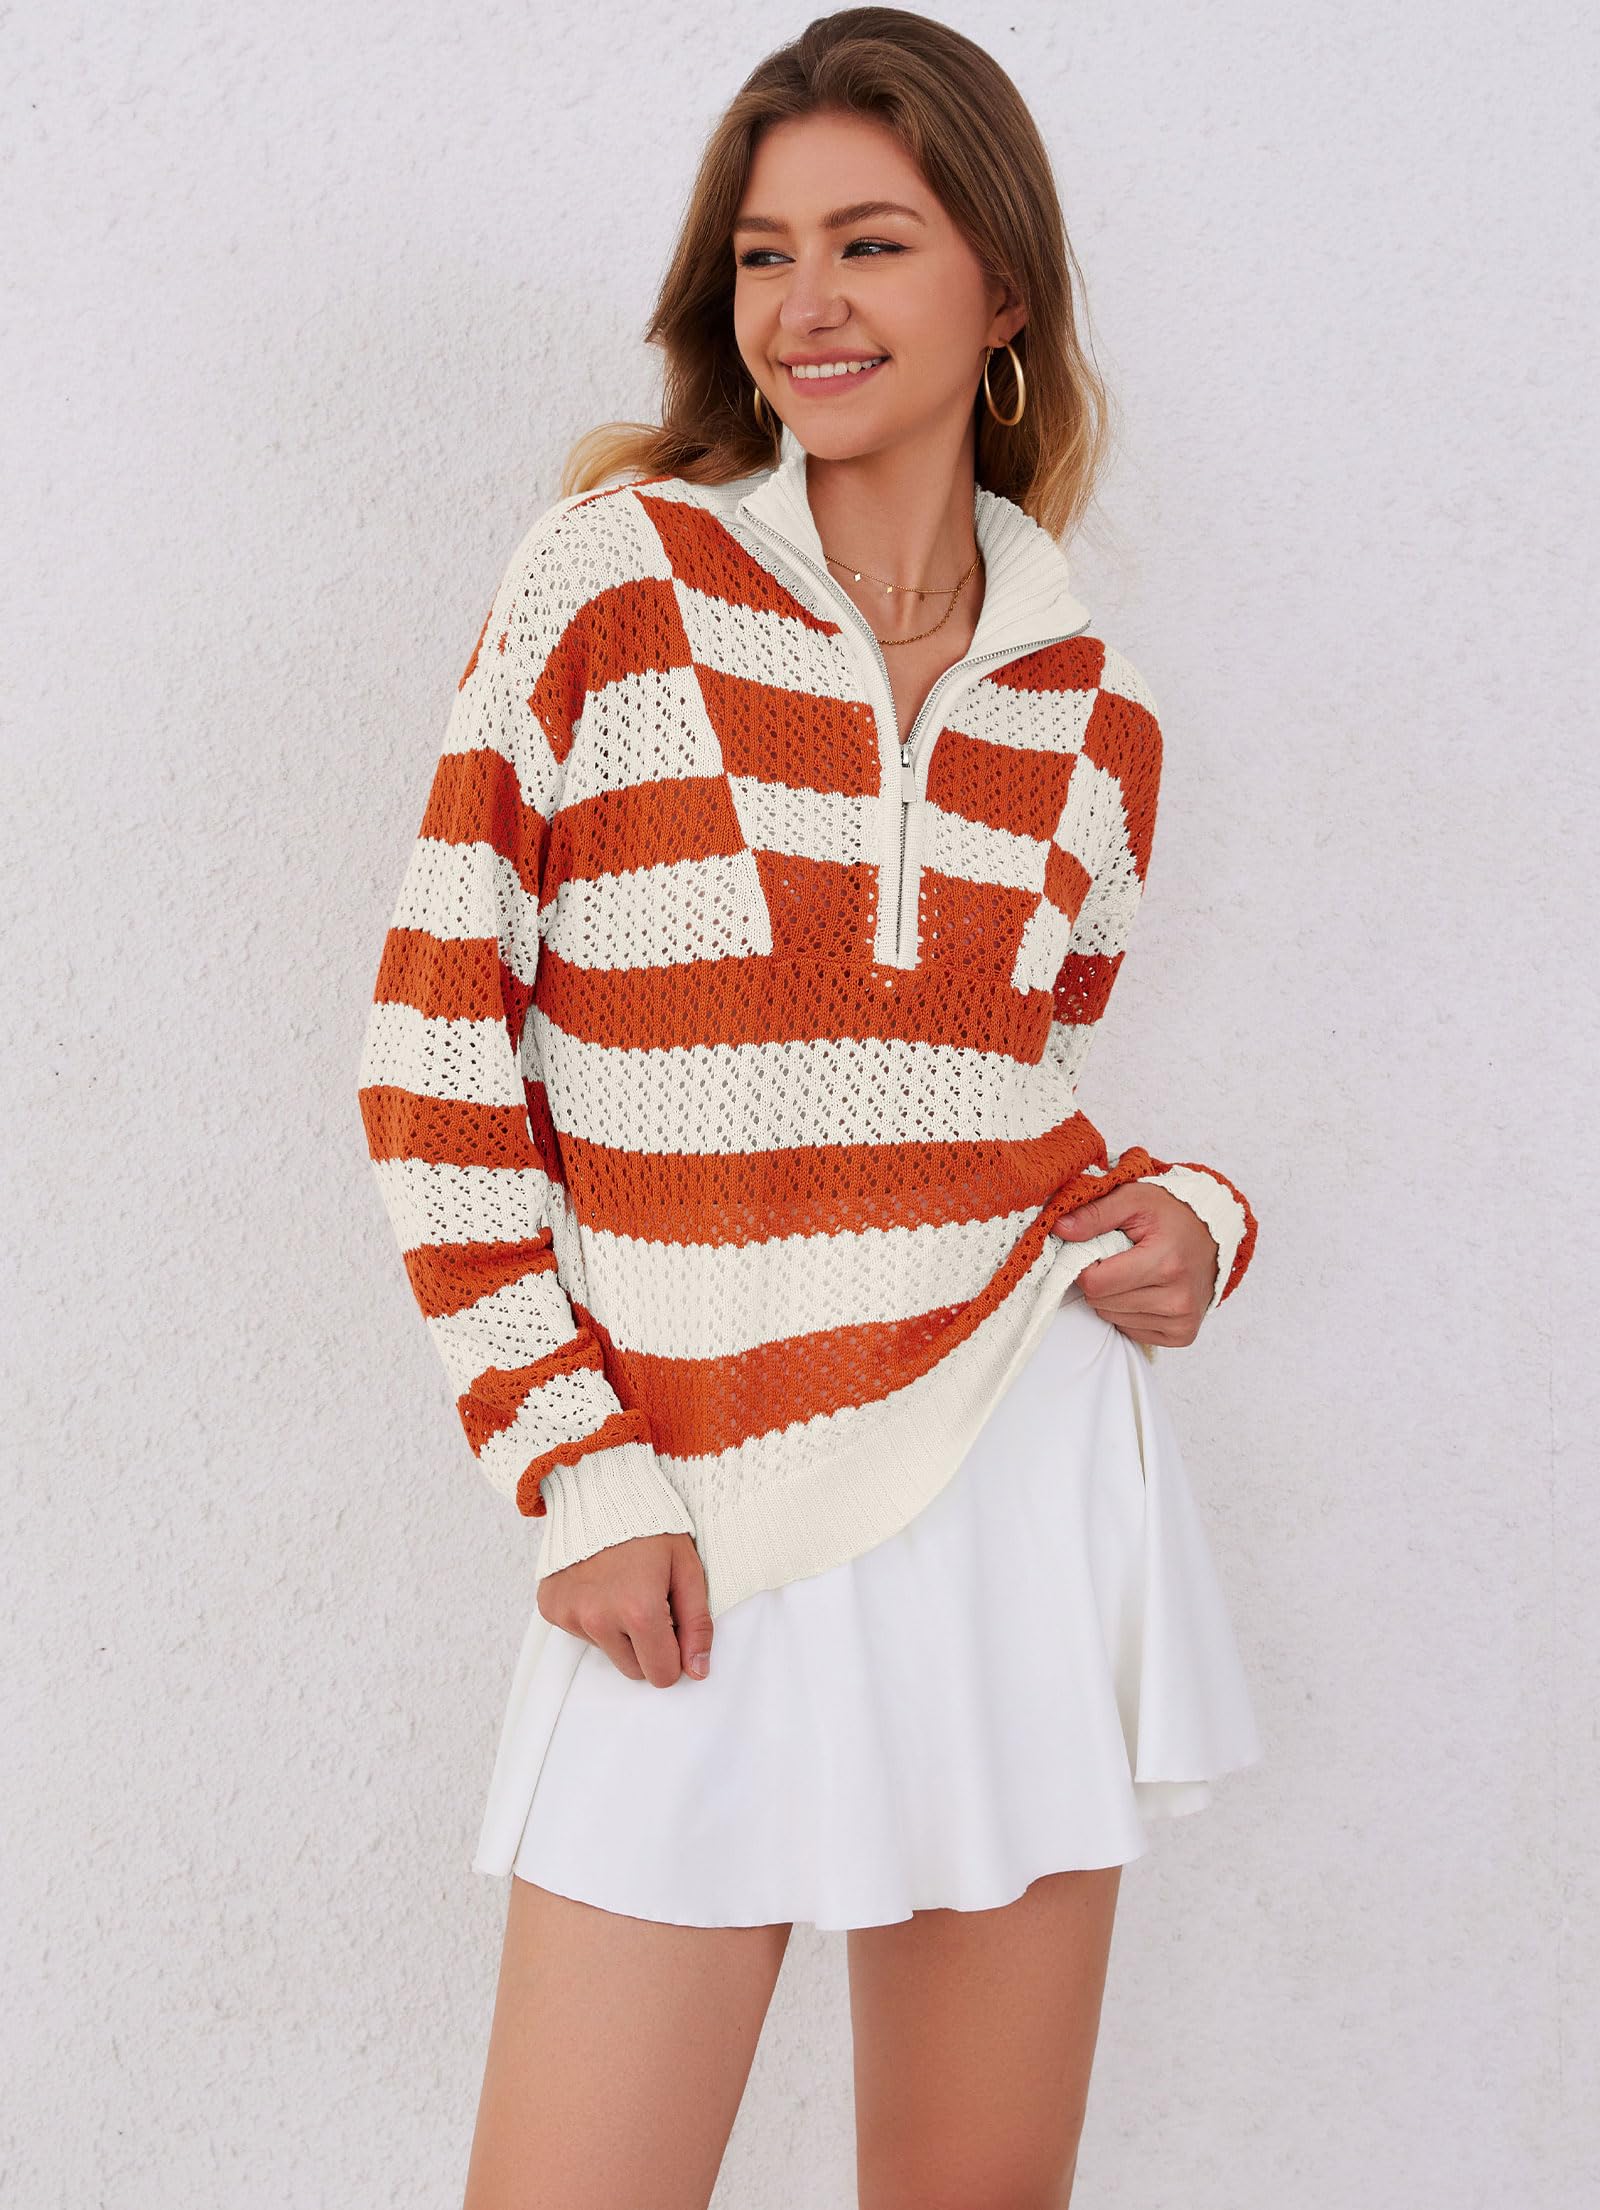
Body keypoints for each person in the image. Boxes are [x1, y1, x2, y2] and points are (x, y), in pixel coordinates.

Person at [356, 11, 1264, 2205]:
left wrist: (1196, 1218)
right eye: (766, 254)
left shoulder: (1094, 707)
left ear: (1003, 290)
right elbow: (431, 1050)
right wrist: (576, 1470)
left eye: (871, 241)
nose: (807, 304)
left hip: (1014, 1491)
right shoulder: (613, 584)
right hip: (689, 1522)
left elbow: (1002, 1102)